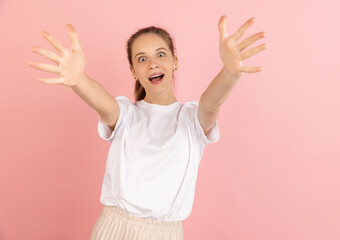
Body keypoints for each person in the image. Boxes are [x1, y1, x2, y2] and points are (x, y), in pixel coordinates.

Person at [29, 15, 267, 240]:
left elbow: (211, 103)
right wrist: (78, 79)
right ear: (133, 71)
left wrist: (229, 73)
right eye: (142, 59)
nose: (152, 64)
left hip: (165, 233)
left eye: (161, 54)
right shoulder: (127, 115)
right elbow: (104, 103)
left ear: (175, 61)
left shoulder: (191, 119)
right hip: (114, 228)